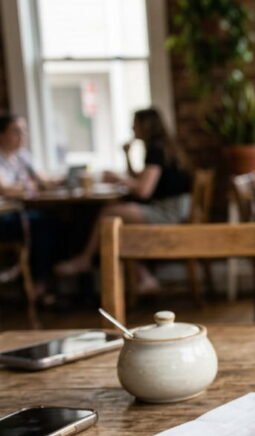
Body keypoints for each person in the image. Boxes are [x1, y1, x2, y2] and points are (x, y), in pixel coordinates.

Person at [56, 107, 192, 286]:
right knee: (117, 213)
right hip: (175, 208)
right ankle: (142, 275)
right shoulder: (163, 146)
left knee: (109, 215)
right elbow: (141, 179)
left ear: (146, 126)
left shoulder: (156, 150)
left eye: (134, 124)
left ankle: (86, 259)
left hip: (168, 212)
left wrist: (118, 177)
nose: (132, 129)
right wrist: (127, 156)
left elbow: (144, 190)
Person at [0, 113, 59, 301]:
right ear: (1, 135)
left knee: (55, 222)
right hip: (4, 216)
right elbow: (5, 189)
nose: (22, 136)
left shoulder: (22, 156)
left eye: (24, 131)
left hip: (20, 212)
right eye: (16, 131)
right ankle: (39, 283)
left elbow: (42, 180)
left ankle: (46, 283)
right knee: (42, 224)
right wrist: (29, 185)